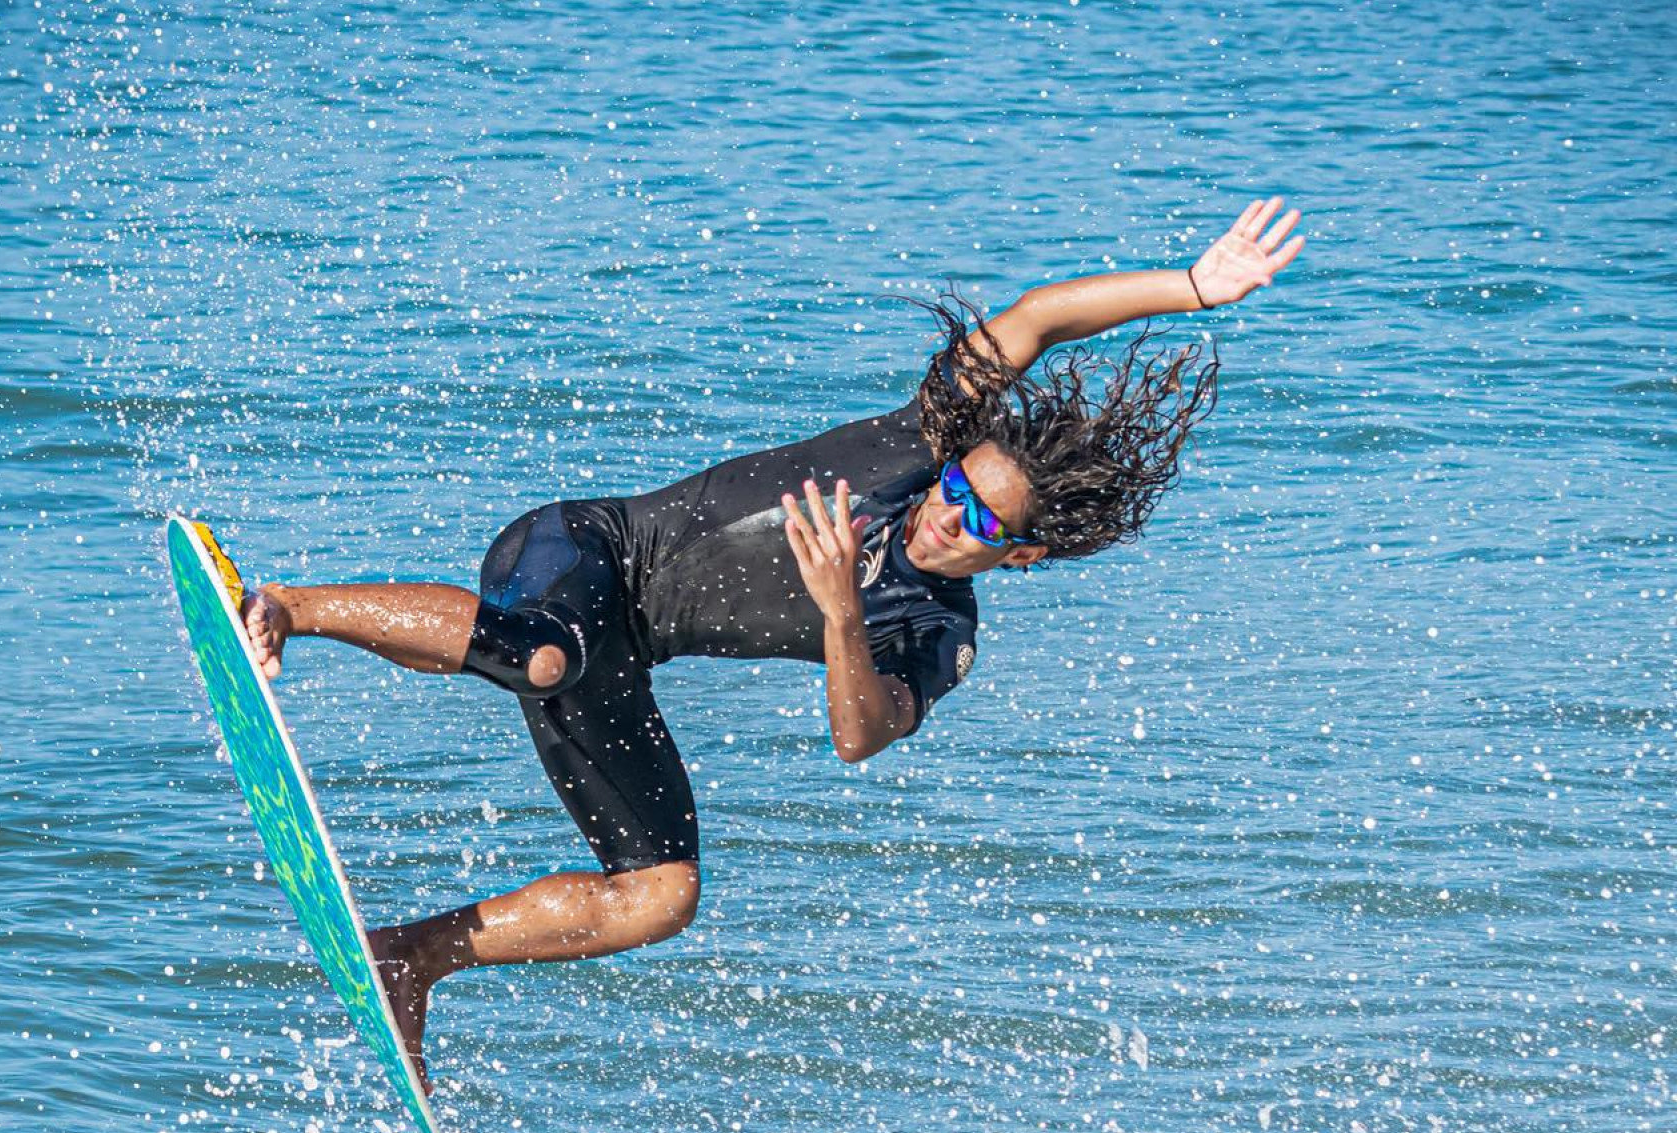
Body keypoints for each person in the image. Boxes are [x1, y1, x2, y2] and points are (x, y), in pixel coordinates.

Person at [235, 197, 1303, 1087]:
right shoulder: (915, 441)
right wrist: (1192, 287)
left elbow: (861, 735)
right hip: (579, 551)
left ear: (1018, 556)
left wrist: (842, 611)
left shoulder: (937, 632)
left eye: (979, 521)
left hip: (620, 655)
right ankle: (288, 605)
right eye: (954, 489)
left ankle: (412, 956)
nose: (945, 514)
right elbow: (1036, 321)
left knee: (664, 893)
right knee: (546, 653)